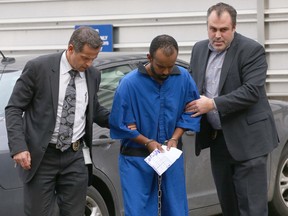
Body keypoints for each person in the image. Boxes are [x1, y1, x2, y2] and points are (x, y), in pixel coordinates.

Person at [5, 26, 110, 216]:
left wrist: (122, 121)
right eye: (85, 58)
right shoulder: (39, 68)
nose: (89, 63)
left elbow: (94, 110)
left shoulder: (93, 75)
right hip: (42, 158)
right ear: (71, 49)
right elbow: (13, 108)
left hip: (75, 157)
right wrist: (19, 147)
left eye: (93, 58)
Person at [186, 2, 279, 216]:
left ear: (234, 28)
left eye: (223, 30)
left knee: (252, 210)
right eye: (213, 29)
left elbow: (251, 91)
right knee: (229, 208)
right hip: (218, 141)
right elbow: (192, 85)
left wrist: (212, 104)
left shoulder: (251, 50)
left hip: (249, 142)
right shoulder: (199, 49)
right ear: (207, 27)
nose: (217, 35)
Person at [109, 34, 201, 216]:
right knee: (138, 211)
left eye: (170, 65)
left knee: (177, 209)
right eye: (161, 66)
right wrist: (146, 142)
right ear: (149, 58)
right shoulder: (128, 84)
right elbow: (119, 124)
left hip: (170, 155)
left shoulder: (183, 78)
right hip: (135, 158)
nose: (166, 71)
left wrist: (175, 138)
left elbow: (191, 111)